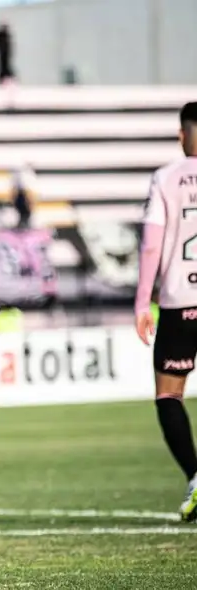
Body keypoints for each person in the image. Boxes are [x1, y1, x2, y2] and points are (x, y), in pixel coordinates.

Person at [135, 101, 197, 523]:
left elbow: (152, 244)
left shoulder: (166, 177)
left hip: (179, 301)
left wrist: (143, 300)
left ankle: (196, 477)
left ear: (181, 133)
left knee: (169, 394)